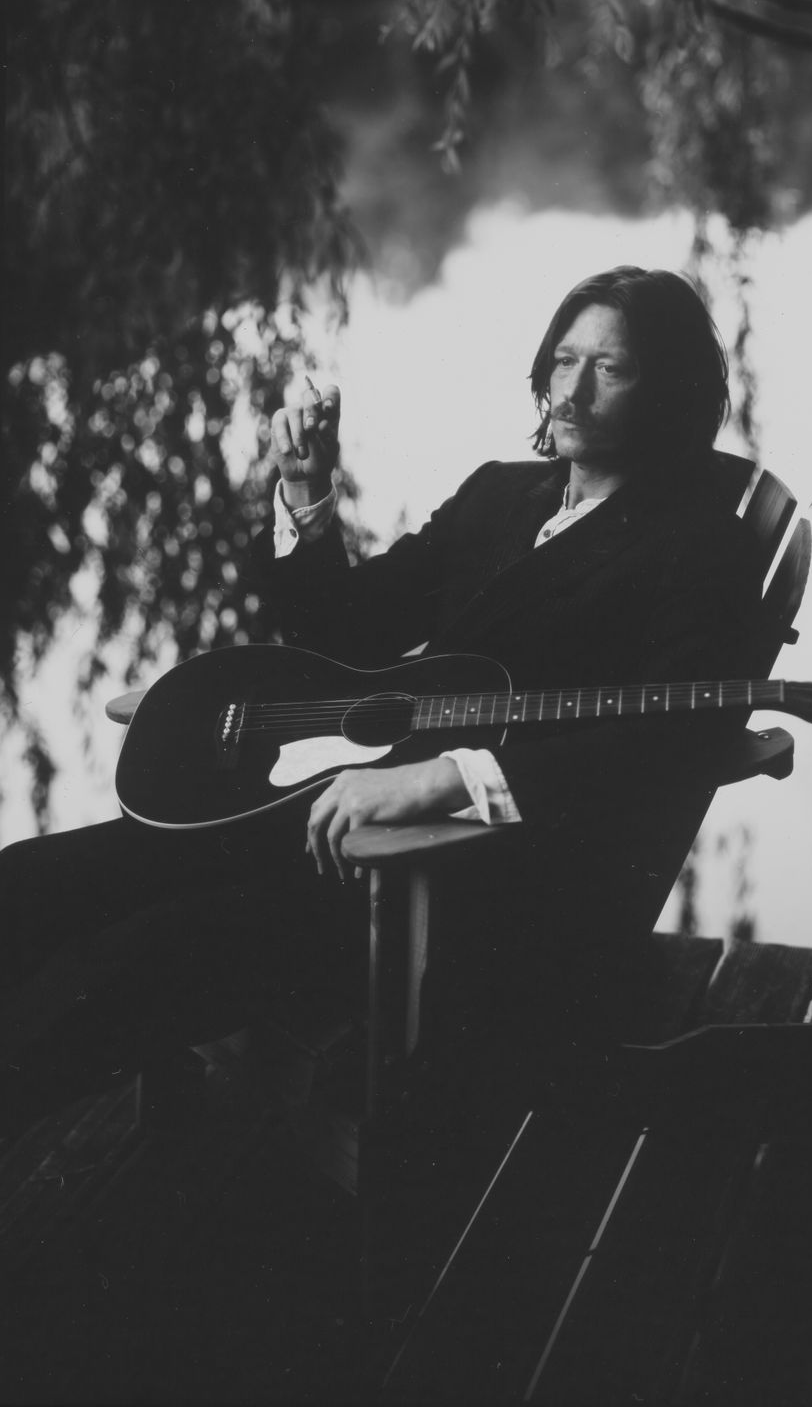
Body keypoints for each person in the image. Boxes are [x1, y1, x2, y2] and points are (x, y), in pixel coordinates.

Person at [1, 267, 766, 1140]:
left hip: (445, 877)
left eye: (610, 369)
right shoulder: (500, 496)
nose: (572, 391)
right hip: (325, 812)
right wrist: (306, 491)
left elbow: (667, 741)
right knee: (30, 882)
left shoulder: (696, 548)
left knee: (134, 956)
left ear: (667, 392)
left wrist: (452, 777)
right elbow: (352, 637)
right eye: (564, 360)